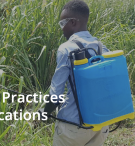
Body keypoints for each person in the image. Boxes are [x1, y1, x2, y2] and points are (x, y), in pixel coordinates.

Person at [48, 0, 110, 145]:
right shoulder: (102, 47)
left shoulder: (66, 48)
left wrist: (44, 114)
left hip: (73, 127)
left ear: (74, 22)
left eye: (63, 23)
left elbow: (55, 94)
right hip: (101, 123)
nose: (62, 29)